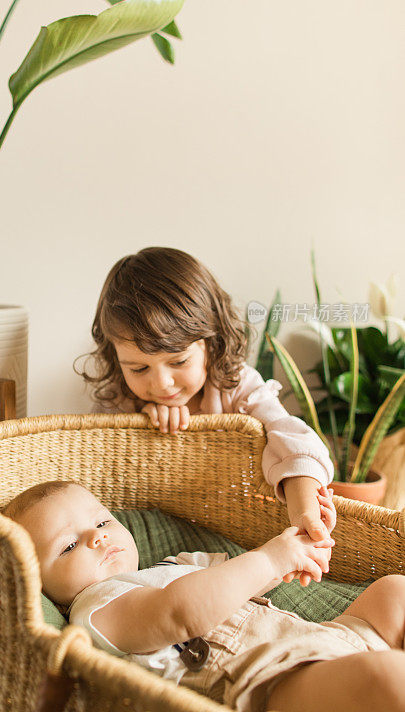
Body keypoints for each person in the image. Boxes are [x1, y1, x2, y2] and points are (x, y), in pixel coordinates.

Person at [2, 480, 405, 712]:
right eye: (69, 546)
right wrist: (270, 559)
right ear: (40, 583)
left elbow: (239, 583)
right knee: (386, 676)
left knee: (394, 591)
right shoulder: (96, 609)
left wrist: (297, 549)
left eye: (102, 520)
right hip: (271, 684)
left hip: (317, 640)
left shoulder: (175, 564)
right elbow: (180, 612)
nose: (97, 536)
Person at [75, 246, 335, 584]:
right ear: (115, 357)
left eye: (179, 362)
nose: (161, 383)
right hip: (149, 547)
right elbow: (93, 468)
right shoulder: (120, 398)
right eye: (139, 368)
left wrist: (304, 513)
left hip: (235, 536)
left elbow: (289, 435)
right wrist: (140, 422)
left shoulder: (235, 385)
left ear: (211, 342)